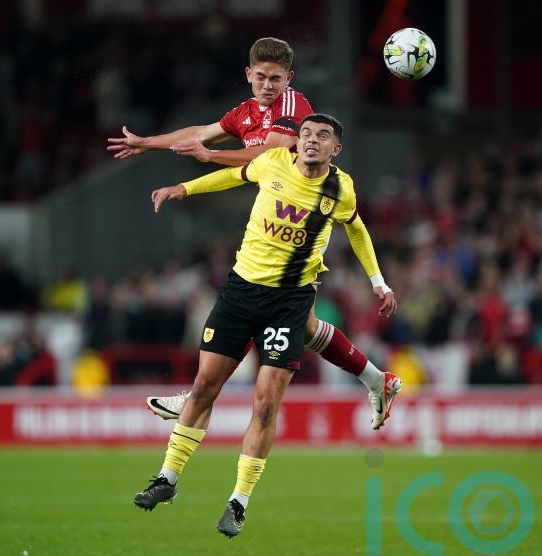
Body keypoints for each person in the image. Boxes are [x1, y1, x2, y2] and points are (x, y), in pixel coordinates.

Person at [108, 37, 401, 430]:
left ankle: (198, 394)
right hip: (276, 228)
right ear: (248, 75)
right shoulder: (246, 112)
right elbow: (204, 132)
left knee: (257, 308)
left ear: (289, 79)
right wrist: (149, 144)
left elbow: (268, 156)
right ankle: (376, 380)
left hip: (300, 232)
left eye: (276, 79)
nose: (268, 86)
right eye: (261, 77)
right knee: (307, 327)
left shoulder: (294, 108)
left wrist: (208, 156)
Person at [133, 114, 398, 537]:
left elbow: (358, 228)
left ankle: (238, 501)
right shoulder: (273, 160)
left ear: (336, 150)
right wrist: (184, 187)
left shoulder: (340, 189)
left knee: (264, 404)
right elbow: (232, 177)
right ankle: (167, 479)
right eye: (306, 134)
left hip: (288, 300)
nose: (311, 141)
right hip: (240, 291)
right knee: (203, 388)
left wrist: (378, 282)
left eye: (322, 137)